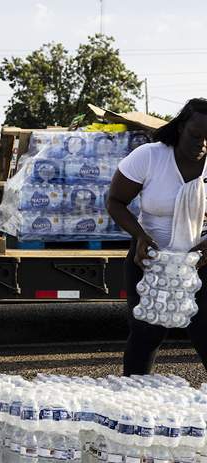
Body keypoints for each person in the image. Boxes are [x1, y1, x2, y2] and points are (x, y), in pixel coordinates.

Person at [107, 98, 207, 375]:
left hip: (199, 263)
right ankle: (133, 404)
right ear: (180, 128)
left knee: (204, 331)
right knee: (146, 333)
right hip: (150, 259)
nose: (202, 144)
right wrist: (139, 236)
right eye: (196, 136)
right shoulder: (150, 157)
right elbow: (115, 200)